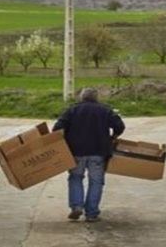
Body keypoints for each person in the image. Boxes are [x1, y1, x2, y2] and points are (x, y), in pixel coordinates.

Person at [53, 88, 125, 222]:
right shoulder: (105, 110)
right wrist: (113, 137)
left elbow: (57, 128)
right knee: (96, 181)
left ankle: (76, 207)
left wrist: (64, 142)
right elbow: (120, 126)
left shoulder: (72, 110)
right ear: (96, 98)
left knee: (75, 178)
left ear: (81, 98)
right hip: (98, 152)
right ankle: (91, 213)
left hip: (75, 152)